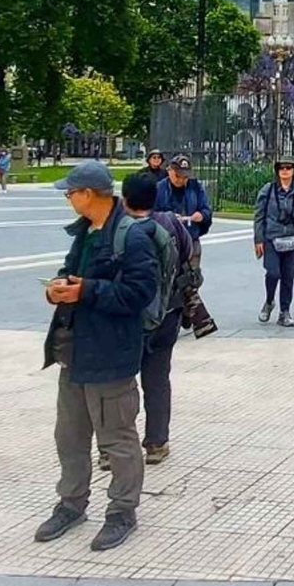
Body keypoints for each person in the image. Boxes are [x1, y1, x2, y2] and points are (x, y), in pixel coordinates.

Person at [35, 159, 156, 552]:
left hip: (110, 355)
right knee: (69, 436)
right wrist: (57, 287)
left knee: (117, 439)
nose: (68, 198)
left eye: (70, 192)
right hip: (74, 351)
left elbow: (140, 294)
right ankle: (71, 503)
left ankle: (122, 510)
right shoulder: (86, 232)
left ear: (89, 194)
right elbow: (71, 272)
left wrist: (86, 291)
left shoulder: (132, 236)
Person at [118, 172, 191, 466]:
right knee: (158, 378)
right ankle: (157, 442)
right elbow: (187, 255)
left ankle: (115, 446)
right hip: (168, 312)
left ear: (124, 199)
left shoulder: (118, 229)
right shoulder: (171, 222)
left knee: (120, 382)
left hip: (128, 316)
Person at [254, 160, 294, 328]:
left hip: (292, 239)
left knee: (288, 277)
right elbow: (259, 216)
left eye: (288, 168)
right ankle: (269, 301)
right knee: (273, 273)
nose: (284, 171)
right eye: (281, 168)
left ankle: (285, 311)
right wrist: (258, 239)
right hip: (271, 239)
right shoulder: (268, 190)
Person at [154, 155, 212, 261]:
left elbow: (206, 210)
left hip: (191, 239)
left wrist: (201, 215)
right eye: (177, 176)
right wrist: (169, 218)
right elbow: (152, 214)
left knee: (192, 274)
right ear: (169, 171)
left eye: (185, 177)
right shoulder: (159, 189)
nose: (180, 180)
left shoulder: (195, 187)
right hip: (166, 241)